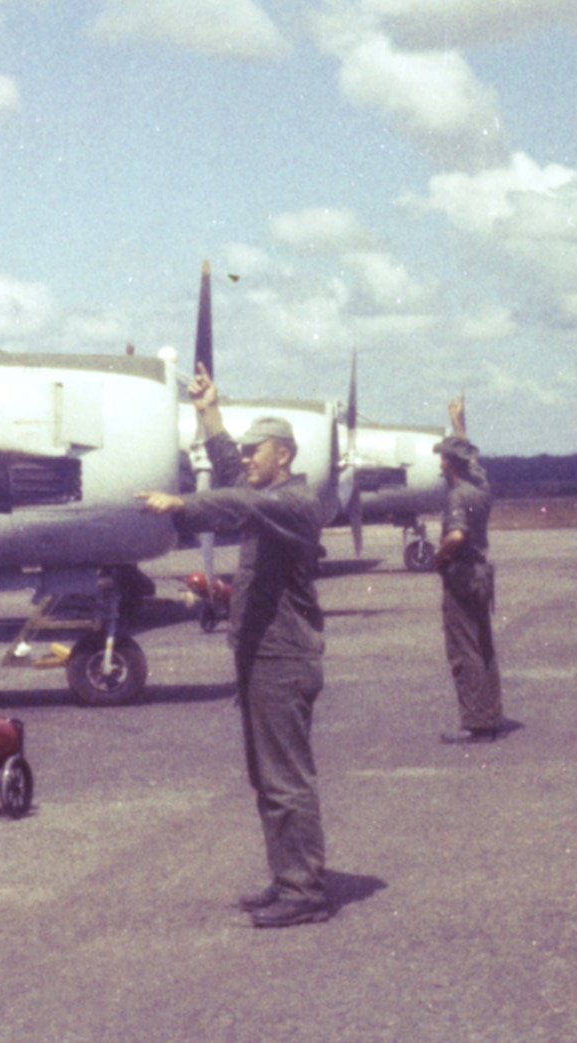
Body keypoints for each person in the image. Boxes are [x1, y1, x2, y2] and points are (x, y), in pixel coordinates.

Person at [138, 366, 337, 928]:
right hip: (263, 660)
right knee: (267, 777)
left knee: (285, 778)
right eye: (245, 450)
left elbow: (236, 504)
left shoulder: (295, 505)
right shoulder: (265, 493)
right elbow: (231, 478)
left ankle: (305, 891)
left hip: (283, 660)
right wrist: (208, 413)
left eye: (257, 451)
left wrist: (180, 506)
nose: (246, 458)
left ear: (285, 455)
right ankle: (288, 878)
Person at [433, 402, 501, 744]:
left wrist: (439, 554)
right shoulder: (480, 488)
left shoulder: (457, 495)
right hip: (481, 575)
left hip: (460, 575)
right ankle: (490, 714)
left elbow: (457, 535)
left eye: (443, 458)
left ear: (450, 465)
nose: (440, 463)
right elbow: (475, 464)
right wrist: (458, 425)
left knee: (464, 648)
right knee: (484, 645)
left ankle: (476, 722)